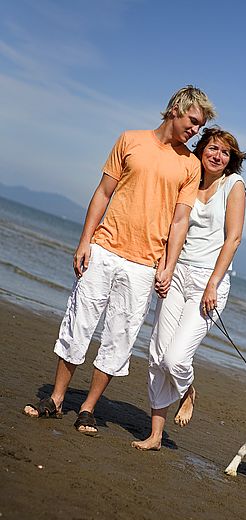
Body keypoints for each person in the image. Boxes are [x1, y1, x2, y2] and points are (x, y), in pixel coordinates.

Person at [23, 85, 216, 435]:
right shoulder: (130, 140)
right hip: (104, 249)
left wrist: (168, 265)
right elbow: (103, 192)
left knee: (120, 337)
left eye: (200, 126)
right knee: (79, 323)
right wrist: (85, 240)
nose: (195, 130)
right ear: (175, 109)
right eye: (193, 121)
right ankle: (55, 398)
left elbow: (179, 220)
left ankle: (87, 408)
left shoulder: (189, 164)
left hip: (144, 266)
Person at [131, 126, 246, 450]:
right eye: (212, 148)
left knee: (176, 358)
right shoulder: (190, 181)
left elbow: (233, 239)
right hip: (178, 273)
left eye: (224, 152)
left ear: (231, 159)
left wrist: (213, 284)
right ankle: (155, 435)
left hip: (208, 284)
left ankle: (188, 388)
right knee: (156, 354)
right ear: (202, 151)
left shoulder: (234, 186)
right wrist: (163, 265)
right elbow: (173, 225)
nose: (217, 155)